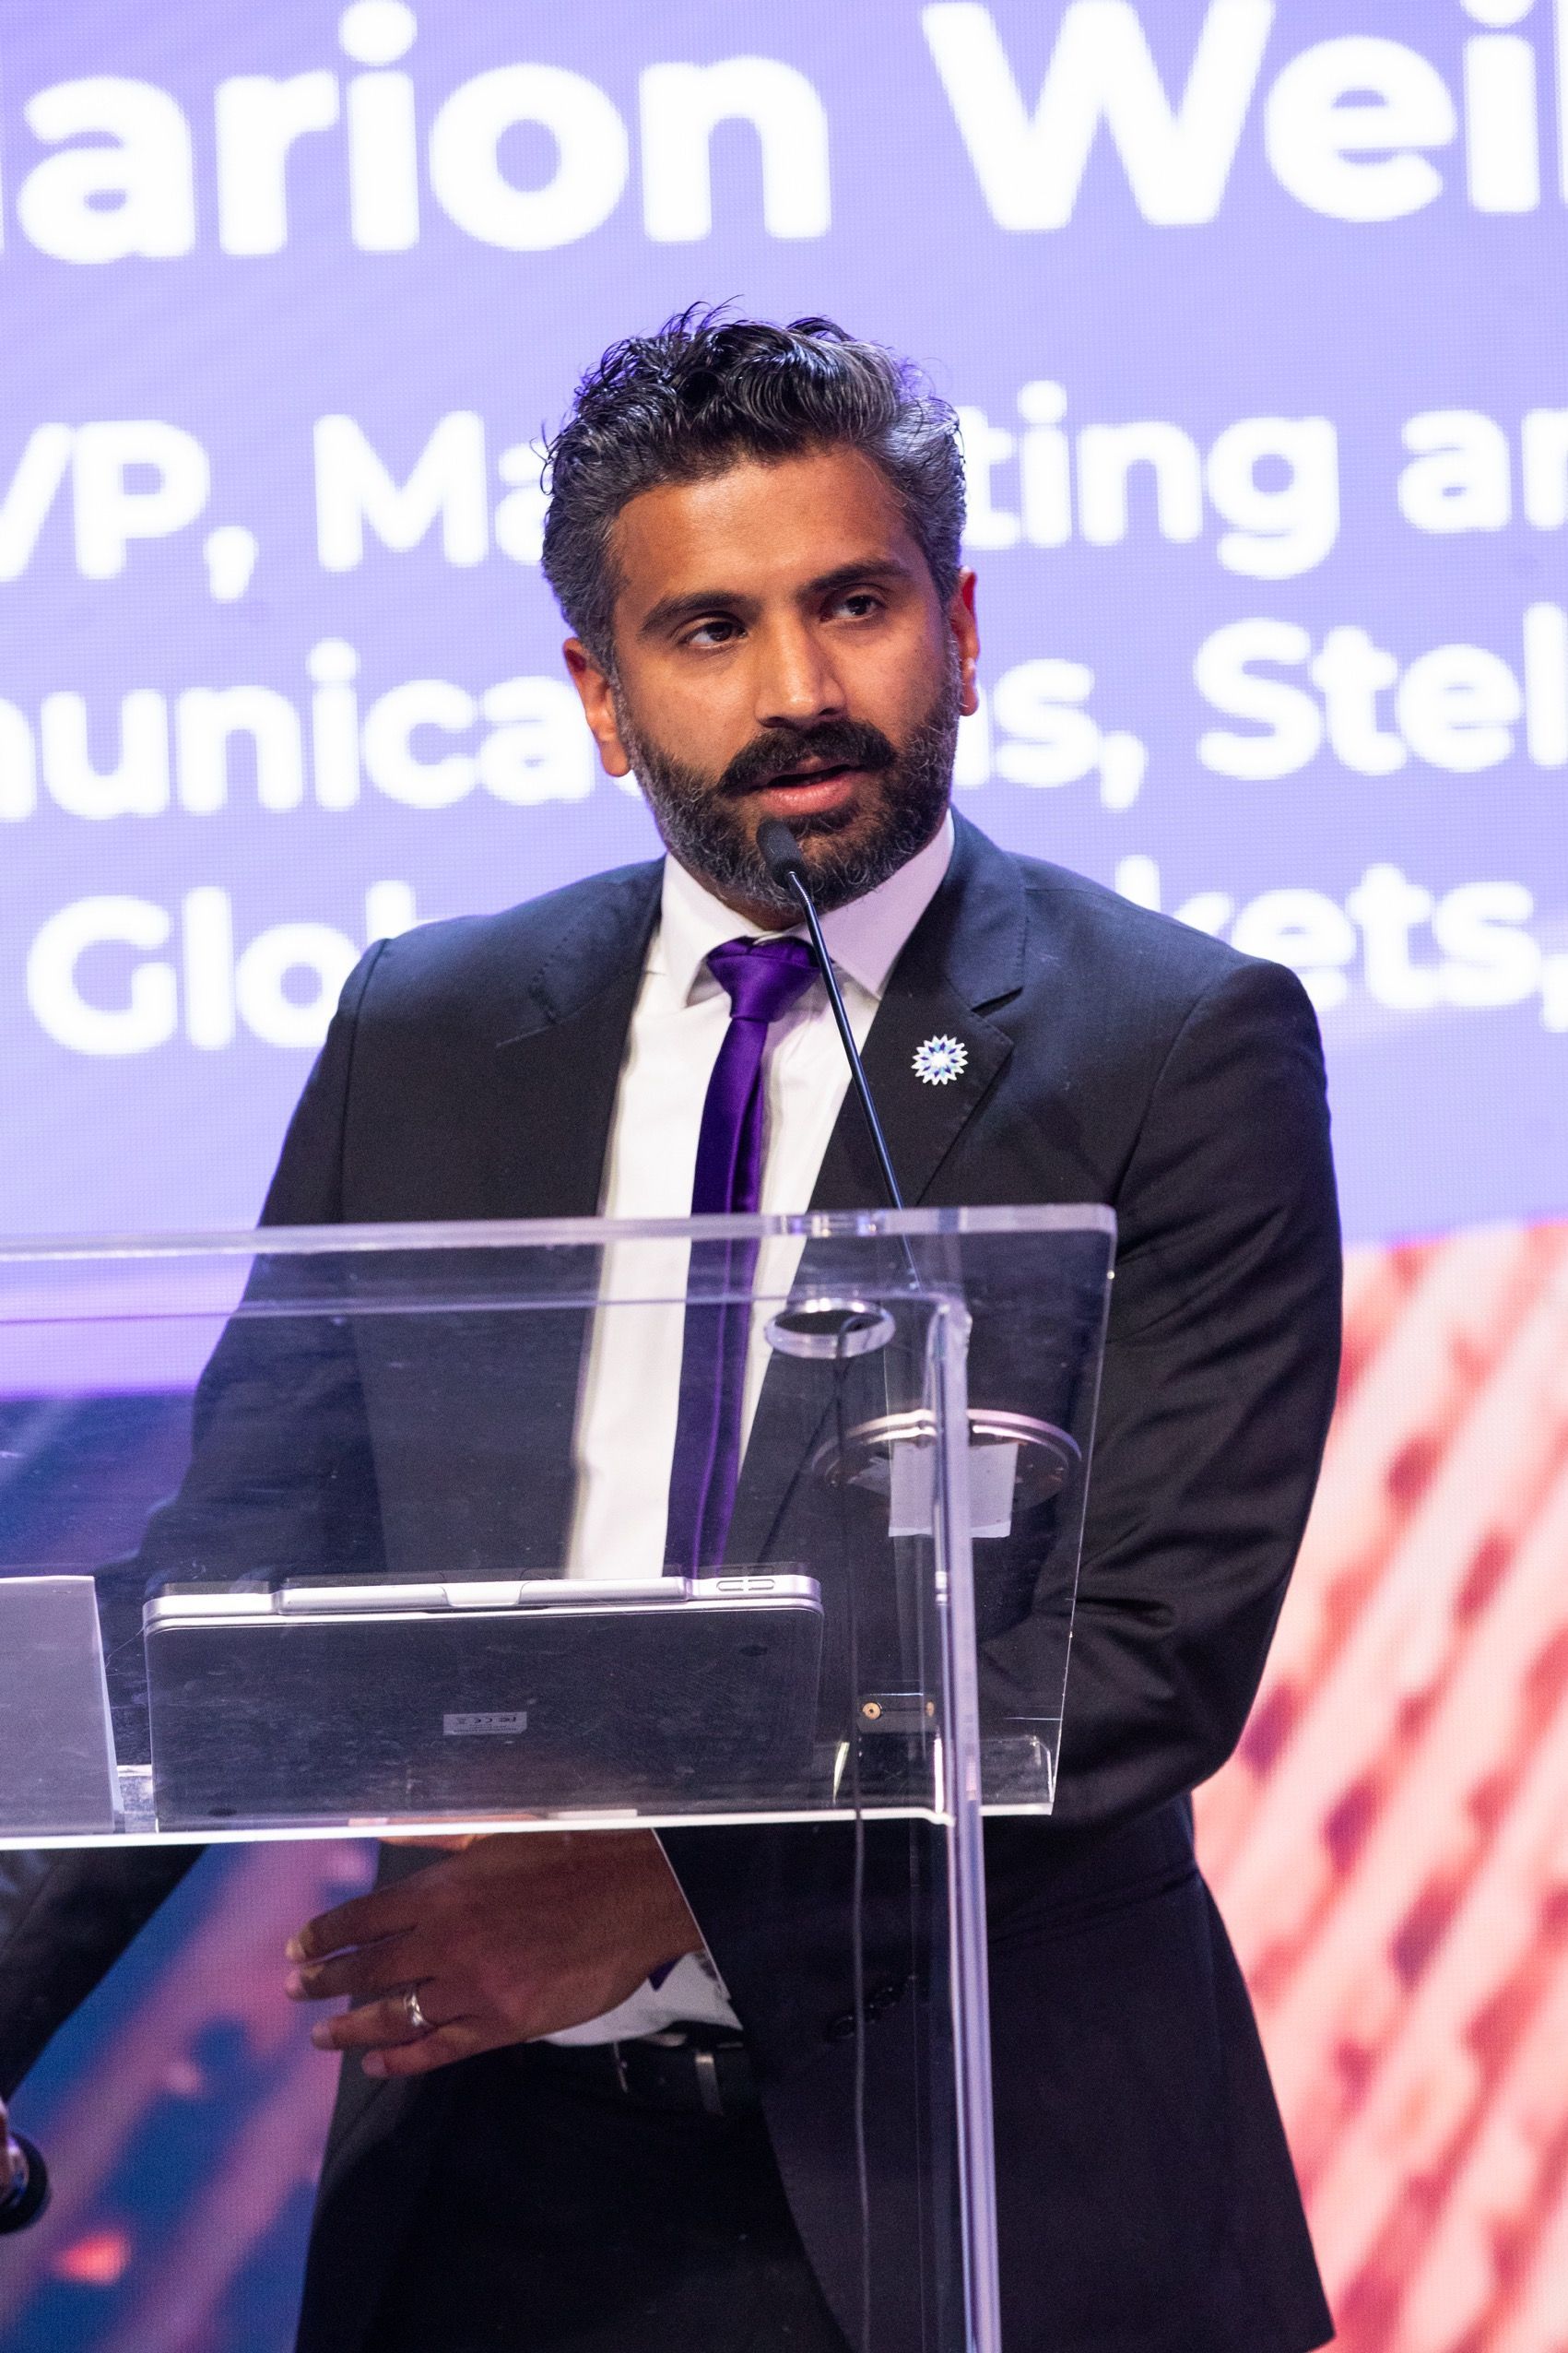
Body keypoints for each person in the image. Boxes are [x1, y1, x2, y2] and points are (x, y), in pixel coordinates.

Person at [0, 313, 1341, 2352]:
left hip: (987, 2183)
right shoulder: (429, 1030)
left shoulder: (1170, 1043)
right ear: (600, 699)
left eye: (856, 604)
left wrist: (656, 1887)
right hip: (500, 2192)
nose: (799, 691)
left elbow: (1142, 1656)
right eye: (707, 630)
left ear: (958, 627)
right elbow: (228, 1577)